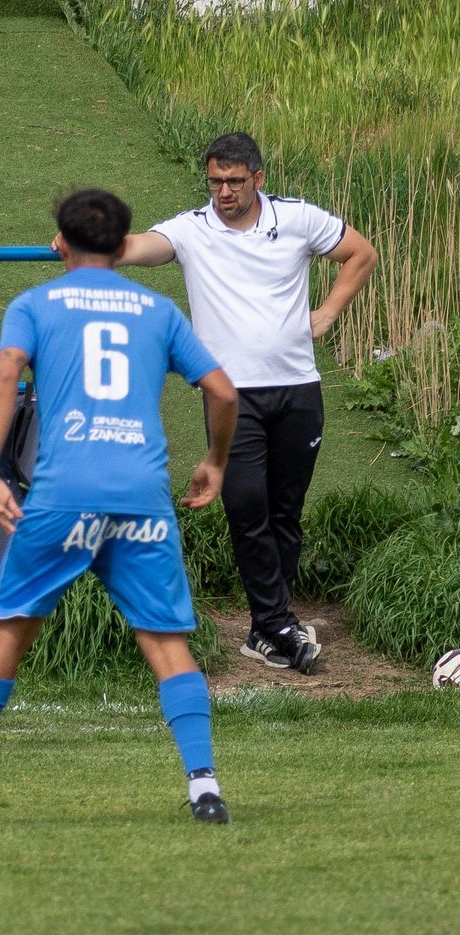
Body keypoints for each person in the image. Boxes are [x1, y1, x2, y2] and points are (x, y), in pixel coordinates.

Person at [0, 189, 239, 823]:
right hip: (140, 495)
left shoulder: (35, 304)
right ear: (123, 245)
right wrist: (215, 461)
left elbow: (4, 375)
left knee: (10, 628)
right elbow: (221, 390)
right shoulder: (158, 310)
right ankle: (204, 787)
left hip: (64, 497)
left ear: (61, 241)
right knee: (165, 643)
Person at [106, 131, 377, 674]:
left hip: (299, 386)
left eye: (233, 181)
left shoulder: (296, 218)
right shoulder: (192, 228)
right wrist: (90, 244)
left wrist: (327, 312)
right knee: (246, 504)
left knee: (285, 511)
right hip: (232, 395)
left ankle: (267, 626)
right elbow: (138, 248)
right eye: (215, 181)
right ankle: (278, 625)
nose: (223, 191)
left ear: (257, 178)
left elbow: (361, 253)